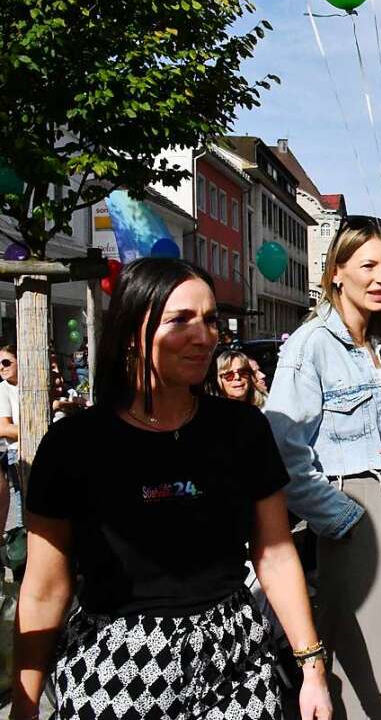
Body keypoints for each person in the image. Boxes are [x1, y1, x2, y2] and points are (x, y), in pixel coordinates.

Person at [13, 258, 331, 720]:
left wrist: (312, 667)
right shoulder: (74, 445)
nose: (204, 337)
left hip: (234, 656)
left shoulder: (242, 429)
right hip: (116, 664)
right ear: (129, 332)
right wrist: (24, 705)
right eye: (180, 320)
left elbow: (275, 553)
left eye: (209, 320)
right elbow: (44, 589)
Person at [264, 216, 381, 720]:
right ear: (337, 272)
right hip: (355, 506)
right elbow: (284, 452)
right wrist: (341, 517)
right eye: (369, 265)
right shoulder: (309, 346)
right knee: (363, 666)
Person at [0, 344, 20, 532]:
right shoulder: (2, 390)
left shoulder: (30, 387)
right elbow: (3, 428)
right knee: (23, 506)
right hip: (18, 453)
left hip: (41, 448)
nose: (1, 367)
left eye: (6, 362)